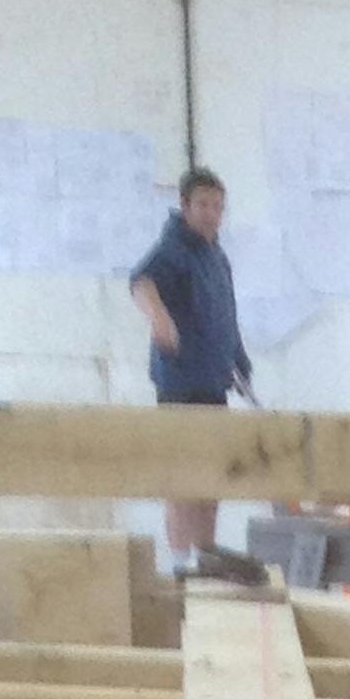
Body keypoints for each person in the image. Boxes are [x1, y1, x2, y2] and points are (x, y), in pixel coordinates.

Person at [128, 167, 252, 564]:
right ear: (184, 206)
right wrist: (160, 320)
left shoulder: (216, 255)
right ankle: (182, 563)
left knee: (211, 477)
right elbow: (141, 282)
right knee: (183, 478)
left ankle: (205, 556)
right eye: (202, 205)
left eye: (218, 206)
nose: (211, 213)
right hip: (180, 384)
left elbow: (225, 314)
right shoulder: (174, 248)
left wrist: (238, 359)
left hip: (213, 382)